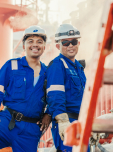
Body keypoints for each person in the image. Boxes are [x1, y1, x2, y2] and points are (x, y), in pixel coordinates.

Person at [0, 25, 52, 152]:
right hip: (7, 120)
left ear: (44, 47)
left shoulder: (48, 73)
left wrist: (48, 113)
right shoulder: (12, 65)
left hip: (31, 129)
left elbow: (54, 96)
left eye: (39, 42)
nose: (35, 45)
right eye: (30, 41)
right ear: (24, 46)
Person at [46, 24, 89, 152]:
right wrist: (63, 121)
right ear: (58, 46)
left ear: (78, 43)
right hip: (68, 122)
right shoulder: (57, 65)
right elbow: (55, 96)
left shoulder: (79, 67)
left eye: (73, 42)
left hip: (81, 122)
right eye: (66, 43)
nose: (70, 45)